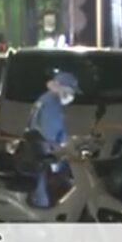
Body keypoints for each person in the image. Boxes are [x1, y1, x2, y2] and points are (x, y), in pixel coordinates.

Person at [26, 71, 80, 208]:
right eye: (71, 91)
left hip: (36, 148)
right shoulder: (53, 103)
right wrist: (59, 154)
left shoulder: (44, 99)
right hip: (44, 151)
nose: (72, 95)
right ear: (62, 87)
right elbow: (52, 133)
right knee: (44, 190)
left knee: (40, 185)